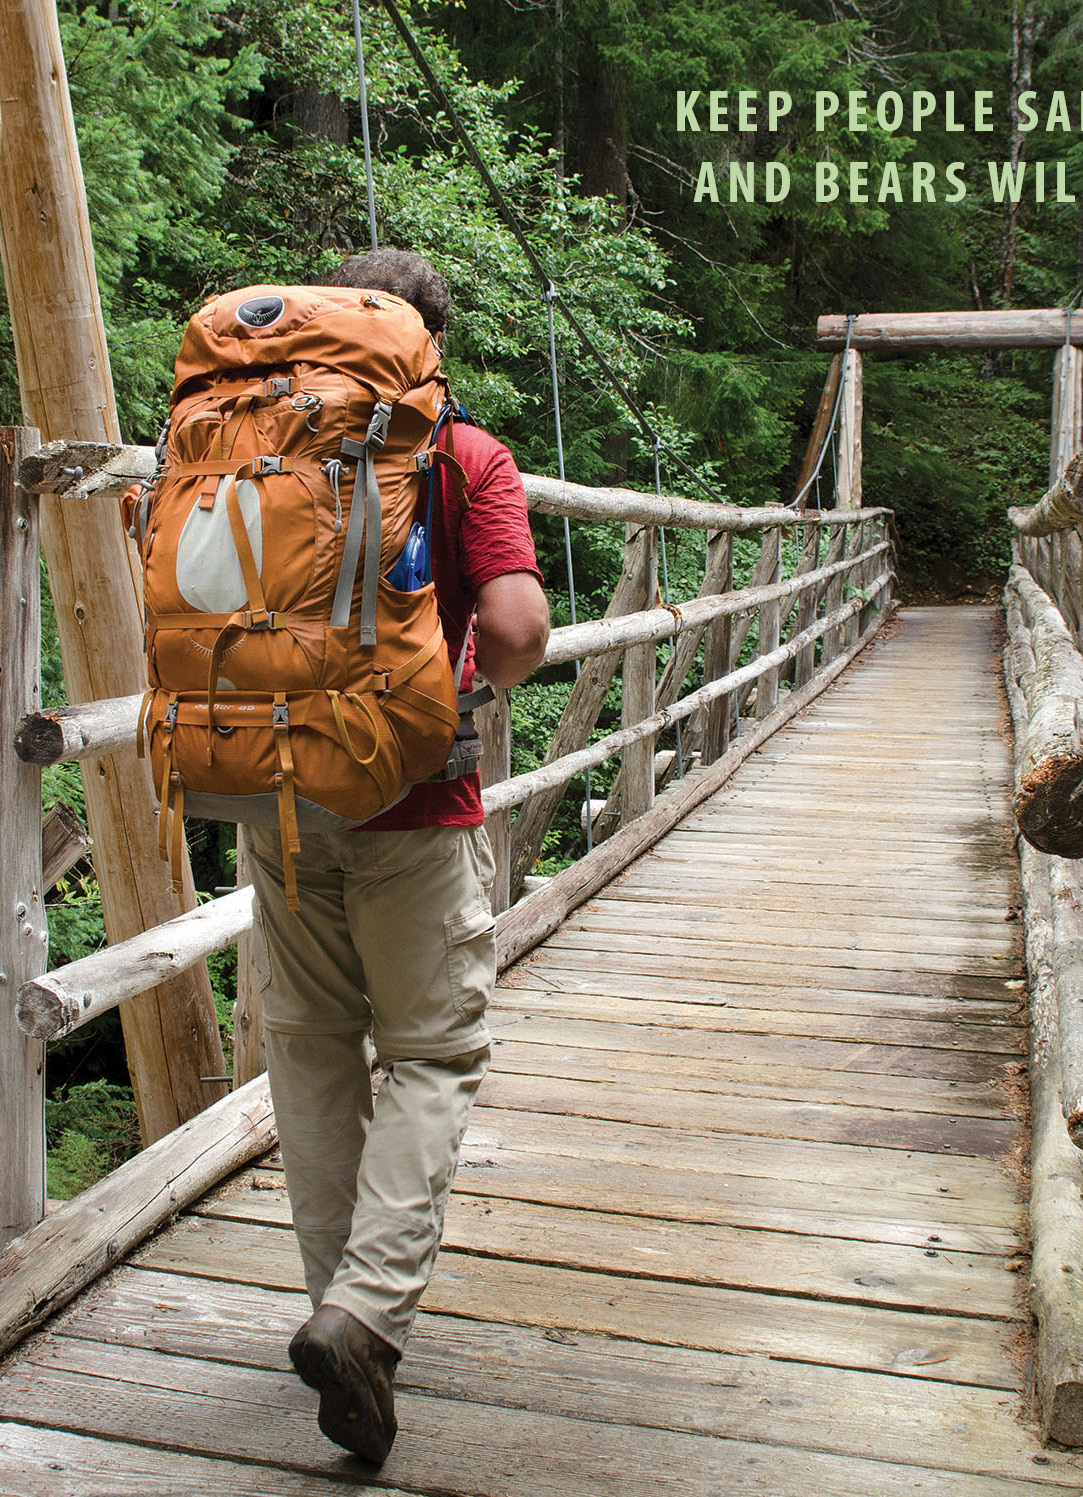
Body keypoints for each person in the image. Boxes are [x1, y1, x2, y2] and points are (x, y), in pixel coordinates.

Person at [242, 249, 549, 1464]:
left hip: (274, 799)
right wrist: (474, 681)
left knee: (312, 1055)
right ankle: (364, 1315)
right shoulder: (462, 455)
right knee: (430, 1053)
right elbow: (516, 628)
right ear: (431, 345)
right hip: (416, 807)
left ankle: (339, 1305)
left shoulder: (250, 440)